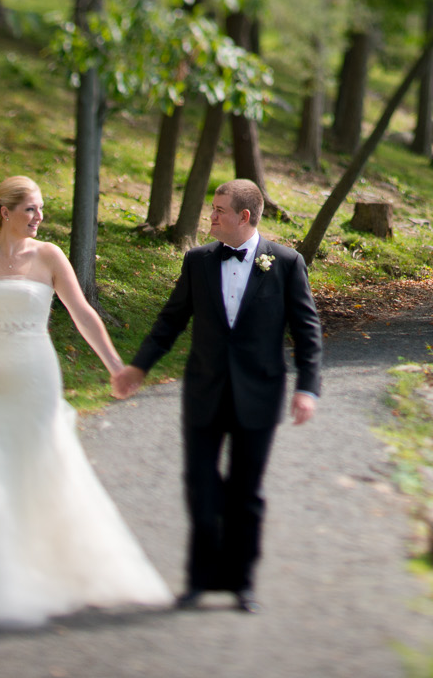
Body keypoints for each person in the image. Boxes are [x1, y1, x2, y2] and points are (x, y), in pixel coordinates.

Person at [0, 176, 171, 628]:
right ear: (4, 211)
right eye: (31, 210)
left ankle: (49, 567)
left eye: (41, 209)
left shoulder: (50, 257)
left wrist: (115, 366)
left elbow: (83, 313)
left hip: (36, 374)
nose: (39, 218)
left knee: (39, 462)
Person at [112, 179, 322, 614]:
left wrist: (307, 387)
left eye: (219, 210)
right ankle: (198, 579)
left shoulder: (285, 263)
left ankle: (241, 582)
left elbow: (307, 330)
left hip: (259, 394)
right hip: (204, 391)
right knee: (201, 488)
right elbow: (171, 320)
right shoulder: (198, 262)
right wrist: (139, 366)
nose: (211, 216)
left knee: (246, 492)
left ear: (244, 217)